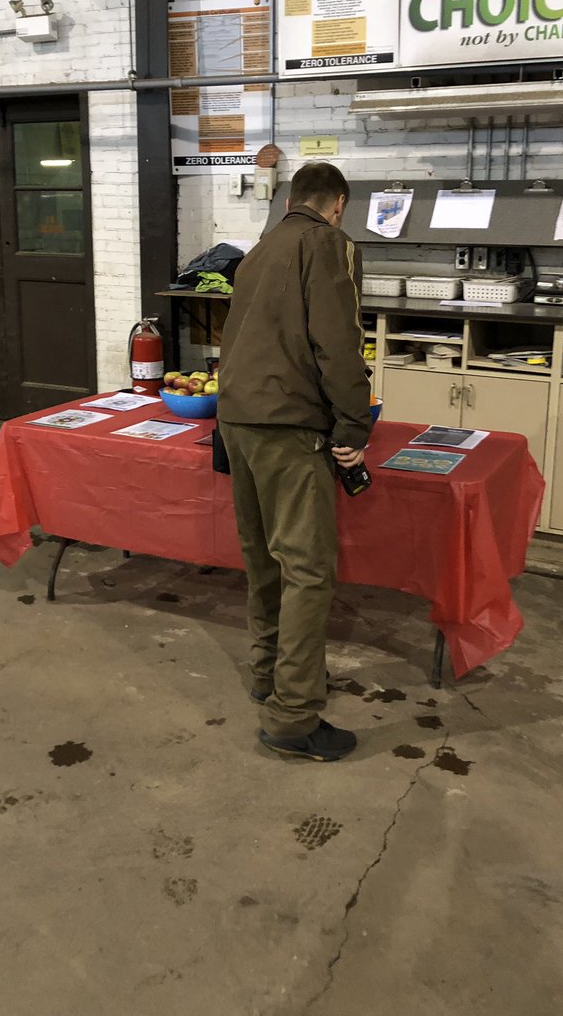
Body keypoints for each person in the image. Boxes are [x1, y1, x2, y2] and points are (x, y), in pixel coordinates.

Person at [218, 161, 372, 762]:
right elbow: (338, 342)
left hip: (238, 421)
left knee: (264, 560)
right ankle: (293, 715)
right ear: (336, 204)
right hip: (288, 427)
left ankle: (269, 677)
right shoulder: (329, 244)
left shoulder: (259, 249)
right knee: (307, 568)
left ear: (291, 200)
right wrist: (354, 424)